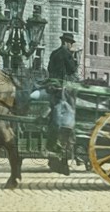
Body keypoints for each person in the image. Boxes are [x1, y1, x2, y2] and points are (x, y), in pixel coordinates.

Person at [46, 33, 79, 175]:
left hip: (53, 88)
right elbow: (72, 69)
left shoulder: (54, 53)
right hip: (62, 90)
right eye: (71, 43)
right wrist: (75, 59)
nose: (71, 45)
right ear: (67, 43)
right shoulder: (66, 54)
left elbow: (49, 69)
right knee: (69, 120)